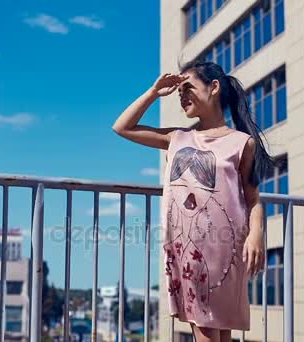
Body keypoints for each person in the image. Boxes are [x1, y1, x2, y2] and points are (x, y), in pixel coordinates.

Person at [112, 61, 274, 342]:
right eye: (179, 92)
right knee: (209, 330)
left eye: (188, 88)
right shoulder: (178, 137)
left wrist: (257, 234)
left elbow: (253, 199)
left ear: (213, 88)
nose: (182, 95)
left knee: (218, 330)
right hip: (186, 248)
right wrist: (153, 92)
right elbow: (122, 127)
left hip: (226, 247)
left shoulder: (242, 143)